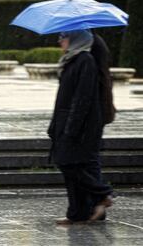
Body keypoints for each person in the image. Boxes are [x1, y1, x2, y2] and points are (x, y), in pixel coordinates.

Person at [48, 30, 114, 225]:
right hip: (65, 121)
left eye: (64, 36)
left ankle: (103, 193)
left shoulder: (85, 60)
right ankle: (77, 213)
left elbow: (82, 99)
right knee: (70, 164)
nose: (60, 40)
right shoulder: (72, 59)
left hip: (81, 125)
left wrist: (72, 128)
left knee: (67, 162)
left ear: (77, 38)